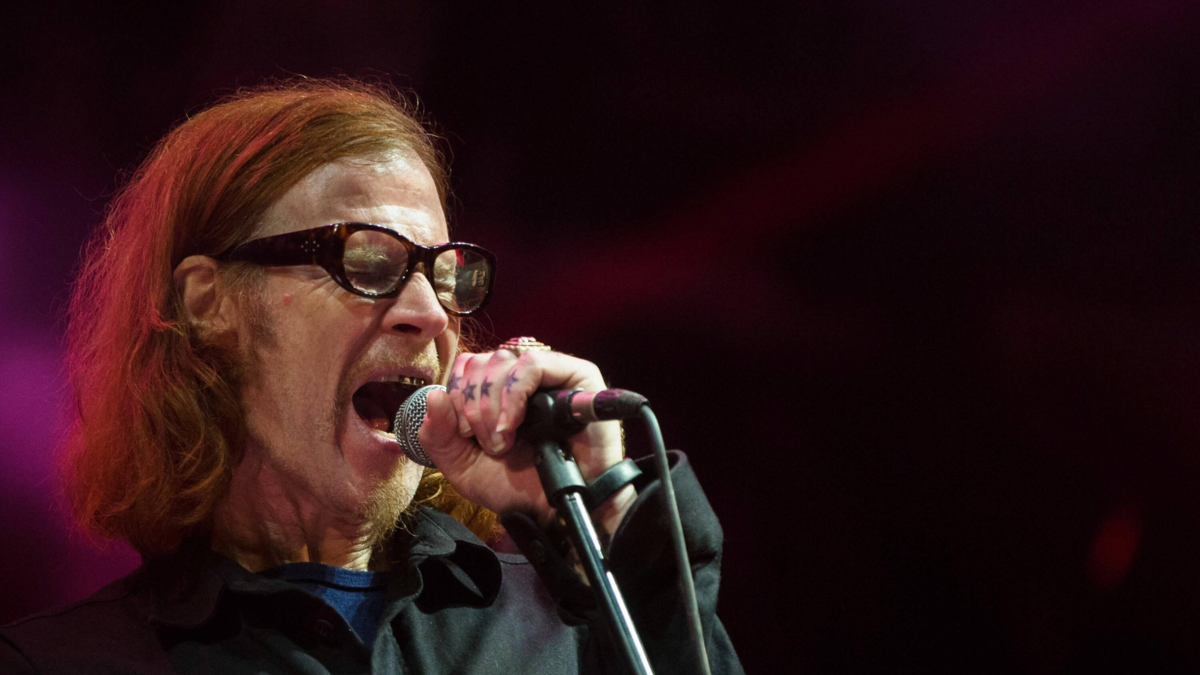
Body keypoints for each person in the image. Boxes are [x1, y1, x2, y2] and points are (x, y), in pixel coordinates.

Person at [0, 79, 742, 674]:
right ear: (209, 303)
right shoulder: (61, 663)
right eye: (366, 261)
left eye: (445, 274)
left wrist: (608, 523)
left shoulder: (569, 628)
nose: (430, 313)